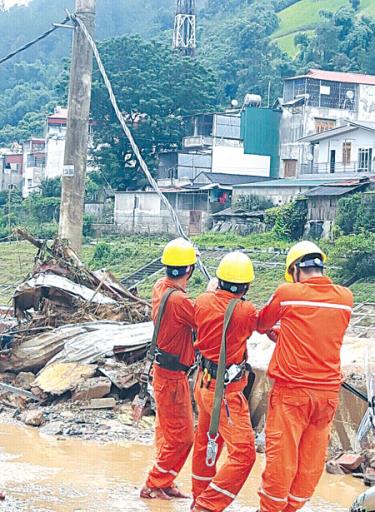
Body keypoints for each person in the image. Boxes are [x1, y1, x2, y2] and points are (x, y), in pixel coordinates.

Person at [256, 241, 353, 512]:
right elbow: (317, 336)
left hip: (292, 393)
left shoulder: (288, 293)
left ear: (296, 269)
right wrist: (285, 336)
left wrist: (273, 331)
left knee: (282, 460)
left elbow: (262, 322)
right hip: (327, 397)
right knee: (310, 461)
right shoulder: (345, 298)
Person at [191, 251, 258, 512]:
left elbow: (210, 307)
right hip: (225, 394)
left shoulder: (202, 301)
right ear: (246, 286)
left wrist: (213, 292)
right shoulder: (246, 311)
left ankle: (199, 498)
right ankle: (207, 506)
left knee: (206, 442)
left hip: (203, 385)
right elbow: (254, 324)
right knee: (244, 454)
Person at [140, 238, 197, 501]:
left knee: (166, 433)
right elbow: (205, 319)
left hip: (163, 372)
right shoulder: (180, 302)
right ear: (190, 270)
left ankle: (166, 480)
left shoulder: (159, 287)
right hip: (173, 377)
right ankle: (154, 482)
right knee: (183, 437)